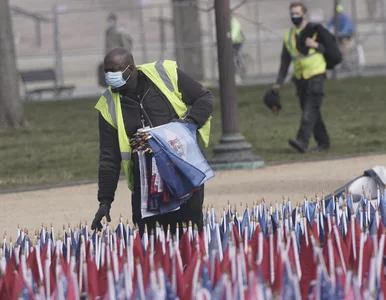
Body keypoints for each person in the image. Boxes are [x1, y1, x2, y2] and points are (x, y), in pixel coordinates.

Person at [91, 48, 214, 237]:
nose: (109, 76)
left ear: (130, 69)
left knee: (188, 236)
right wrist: (105, 201)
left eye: (114, 70)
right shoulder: (108, 104)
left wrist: (188, 124)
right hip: (146, 183)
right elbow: (109, 158)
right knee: (149, 241)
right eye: (106, 71)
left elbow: (205, 98)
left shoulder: (165, 74)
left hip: (182, 173)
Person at [272, 2, 330, 153]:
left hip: (316, 74)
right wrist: (278, 83)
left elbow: (328, 49)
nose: (294, 16)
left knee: (309, 110)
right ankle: (324, 142)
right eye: (292, 14)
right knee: (311, 111)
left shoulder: (315, 31)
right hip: (300, 79)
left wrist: (316, 45)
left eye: (297, 13)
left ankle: (302, 141)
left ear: (305, 14)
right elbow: (285, 61)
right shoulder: (288, 35)